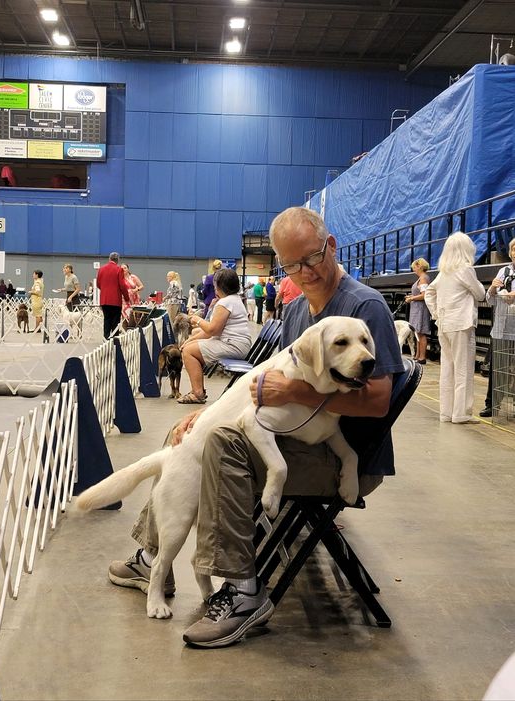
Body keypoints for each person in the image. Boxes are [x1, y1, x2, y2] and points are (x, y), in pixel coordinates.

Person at [108, 207, 404, 649]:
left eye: (312, 258)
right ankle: (153, 556)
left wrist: (296, 396)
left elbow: (378, 401)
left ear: (332, 246)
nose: (305, 272)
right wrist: (204, 414)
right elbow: (269, 376)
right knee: (194, 436)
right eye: (292, 265)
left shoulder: (364, 307)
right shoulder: (302, 310)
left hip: (343, 457)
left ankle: (243, 590)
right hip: (298, 437)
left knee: (222, 446)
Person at [424, 232, 485, 424]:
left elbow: (429, 293)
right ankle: (461, 413)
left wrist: (436, 313)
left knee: (447, 369)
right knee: (463, 370)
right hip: (462, 324)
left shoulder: (444, 272)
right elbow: (480, 294)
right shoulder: (465, 269)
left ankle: (446, 413)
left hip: (444, 324)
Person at [177, 268, 252, 404]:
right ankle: (197, 390)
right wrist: (191, 339)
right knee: (190, 346)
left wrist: (196, 320)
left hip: (233, 346)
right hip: (238, 345)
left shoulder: (225, 303)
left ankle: (197, 393)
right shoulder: (234, 300)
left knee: (188, 352)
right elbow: (212, 331)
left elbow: (213, 330)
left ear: (219, 286)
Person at [479, 237, 515, 418]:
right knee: (497, 369)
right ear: (510, 253)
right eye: (514, 249)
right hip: (501, 329)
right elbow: (489, 299)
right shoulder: (504, 271)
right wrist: (492, 288)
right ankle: (492, 404)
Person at [96, 252, 130, 339]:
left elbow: (98, 284)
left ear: (109, 259)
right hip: (115, 301)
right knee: (115, 321)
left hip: (104, 300)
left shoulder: (101, 269)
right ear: (118, 260)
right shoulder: (119, 269)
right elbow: (122, 285)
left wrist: (105, 290)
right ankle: (114, 340)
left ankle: (106, 339)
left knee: (106, 319)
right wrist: (127, 298)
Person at [404, 258, 431, 364]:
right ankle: (418, 355)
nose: (413, 269)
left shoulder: (423, 278)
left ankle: (422, 357)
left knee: (421, 333)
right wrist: (412, 296)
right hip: (417, 308)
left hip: (420, 309)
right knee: (417, 333)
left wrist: (411, 298)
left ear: (419, 266)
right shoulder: (421, 278)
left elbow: (424, 295)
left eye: (414, 267)